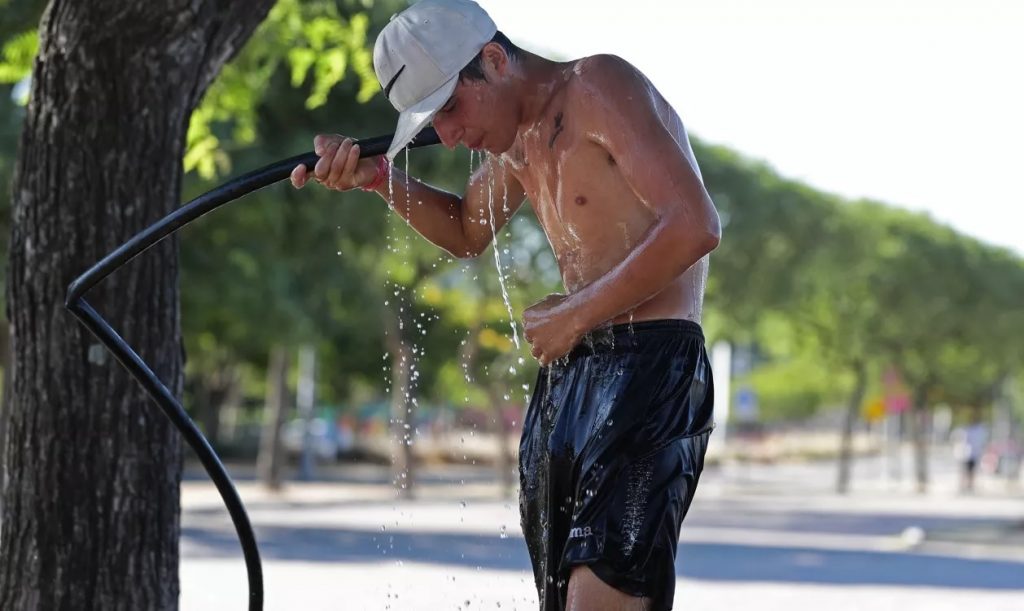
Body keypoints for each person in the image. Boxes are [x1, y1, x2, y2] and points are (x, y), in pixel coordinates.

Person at [291, 1, 721, 608]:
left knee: (602, 596)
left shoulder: (597, 85)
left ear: (493, 60)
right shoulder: (517, 141)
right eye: (432, 121)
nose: (446, 136)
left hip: (649, 367)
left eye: (449, 108)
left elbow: (695, 224)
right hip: (570, 373)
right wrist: (380, 179)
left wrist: (576, 314)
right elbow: (467, 230)